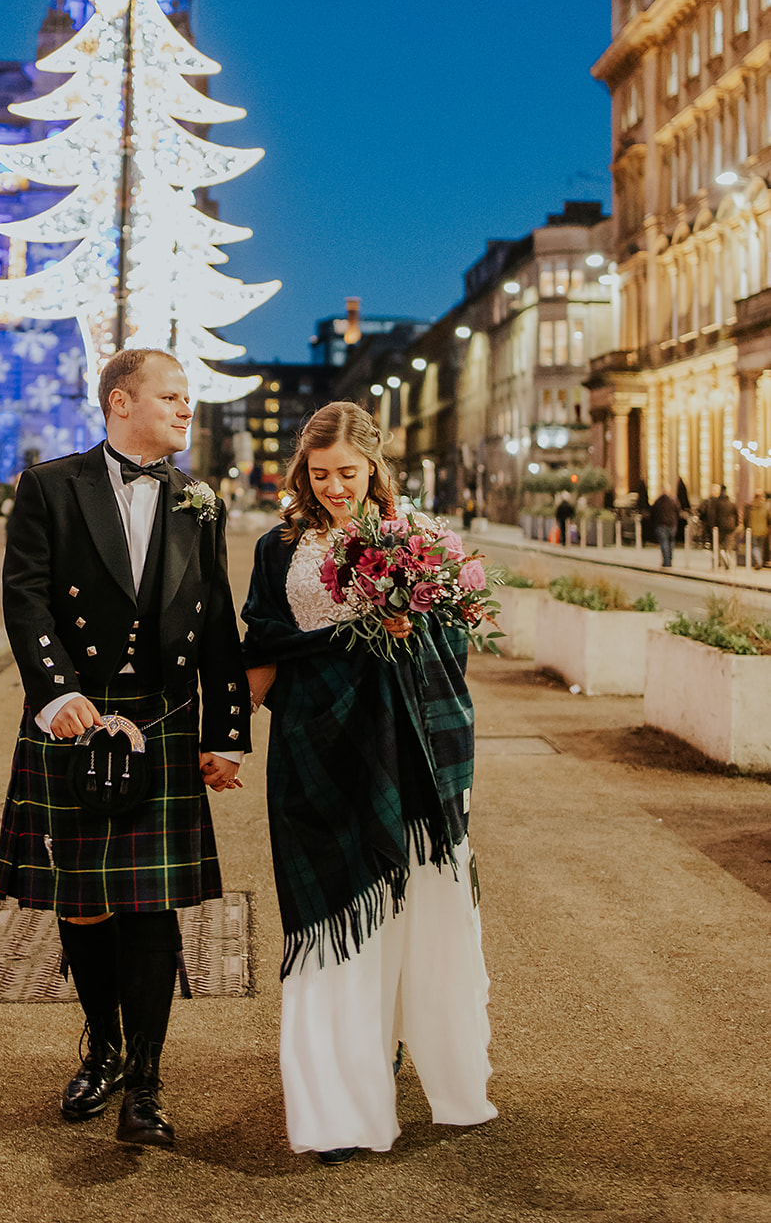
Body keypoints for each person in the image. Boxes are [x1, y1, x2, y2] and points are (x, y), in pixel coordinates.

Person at [0, 348, 250, 1149]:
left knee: (150, 909)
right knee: (82, 900)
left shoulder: (196, 502)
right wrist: (58, 692)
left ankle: (145, 1079)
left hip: (164, 719)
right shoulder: (49, 487)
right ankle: (100, 1048)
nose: (186, 410)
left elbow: (215, 621)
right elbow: (25, 592)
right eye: (172, 397)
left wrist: (224, 735)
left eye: (188, 399)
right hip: (78, 718)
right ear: (119, 402)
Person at [241, 402, 495, 1165]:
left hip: (404, 751)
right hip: (312, 748)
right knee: (327, 906)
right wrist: (221, 744)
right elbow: (262, 639)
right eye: (318, 475)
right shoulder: (275, 546)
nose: (333, 488)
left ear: (373, 467)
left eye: (346, 473)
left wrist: (407, 628)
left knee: (405, 911)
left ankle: (382, 1052)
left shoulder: (418, 542)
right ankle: (338, 1098)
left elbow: (452, 640)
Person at [649, 486, 680, 568]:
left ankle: (666, 561)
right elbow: (678, 512)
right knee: (671, 543)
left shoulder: (658, 501)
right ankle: (670, 560)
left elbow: (652, 513)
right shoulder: (673, 501)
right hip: (672, 525)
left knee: (664, 543)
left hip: (661, 525)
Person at [745, 490, 768, 569]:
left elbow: (746, 518)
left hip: (753, 531)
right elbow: (769, 518)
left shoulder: (751, 506)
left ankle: (759, 561)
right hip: (763, 530)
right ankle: (760, 561)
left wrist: (746, 528)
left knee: (755, 547)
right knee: (760, 547)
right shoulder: (765, 506)